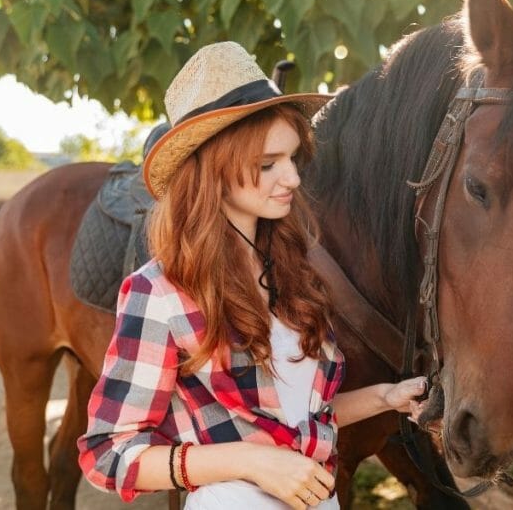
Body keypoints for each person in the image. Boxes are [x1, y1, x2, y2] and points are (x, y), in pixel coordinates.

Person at [78, 42, 426, 509]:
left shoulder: (292, 273)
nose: (293, 179)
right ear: (214, 171)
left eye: (292, 159)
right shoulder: (159, 293)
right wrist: (249, 462)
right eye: (268, 165)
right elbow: (109, 455)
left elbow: (298, 421)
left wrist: (385, 396)